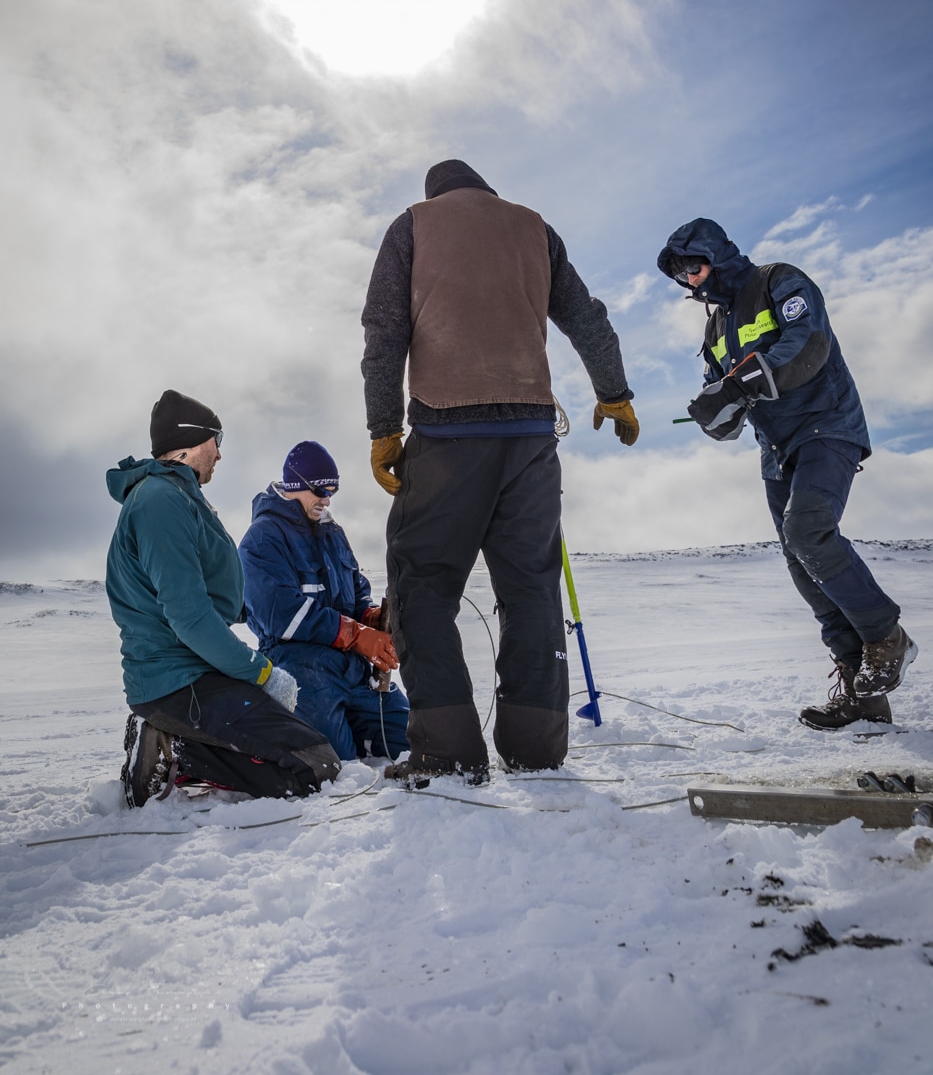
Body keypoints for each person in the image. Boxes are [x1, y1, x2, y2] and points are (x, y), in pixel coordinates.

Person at [361, 159, 638, 783]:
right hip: (532, 440)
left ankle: (448, 749)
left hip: (448, 435)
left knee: (423, 584)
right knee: (531, 588)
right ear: (487, 190)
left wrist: (383, 429)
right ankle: (536, 751)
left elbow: (384, 333)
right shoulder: (535, 229)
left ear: (435, 195)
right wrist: (613, 390)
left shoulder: (412, 226)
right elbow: (585, 316)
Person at [657, 218, 917, 730]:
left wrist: (740, 384)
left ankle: (888, 636)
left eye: (695, 264)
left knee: (808, 530)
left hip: (827, 425)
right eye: (681, 273)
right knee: (799, 558)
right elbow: (727, 397)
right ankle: (861, 696)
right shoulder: (715, 327)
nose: (691, 279)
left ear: (718, 253)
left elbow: (808, 343)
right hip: (774, 447)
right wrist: (715, 409)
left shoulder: (779, 281)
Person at [106, 390, 341, 806]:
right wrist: (261, 673)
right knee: (313, 766)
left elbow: (214, 597)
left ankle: (182, 743)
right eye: (217, 441)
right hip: (177, 682)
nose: (219, 454)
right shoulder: (160, 502)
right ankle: (175, 750)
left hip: (198, 674)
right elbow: (190, 617)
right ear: (191, 443)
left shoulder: (179, 497)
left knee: (315, 755)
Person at [238, 439, 410, 761]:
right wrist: (356, 635)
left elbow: (355, 589)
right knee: (336, 767)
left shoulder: (333, 532)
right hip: (301, 671)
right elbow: (282, 613)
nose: (326, 499)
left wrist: (370, 617)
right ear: (294, 484)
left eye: (332, 491)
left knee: (416, 740)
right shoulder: (263, 538)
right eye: (320, 490)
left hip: (354, 670)